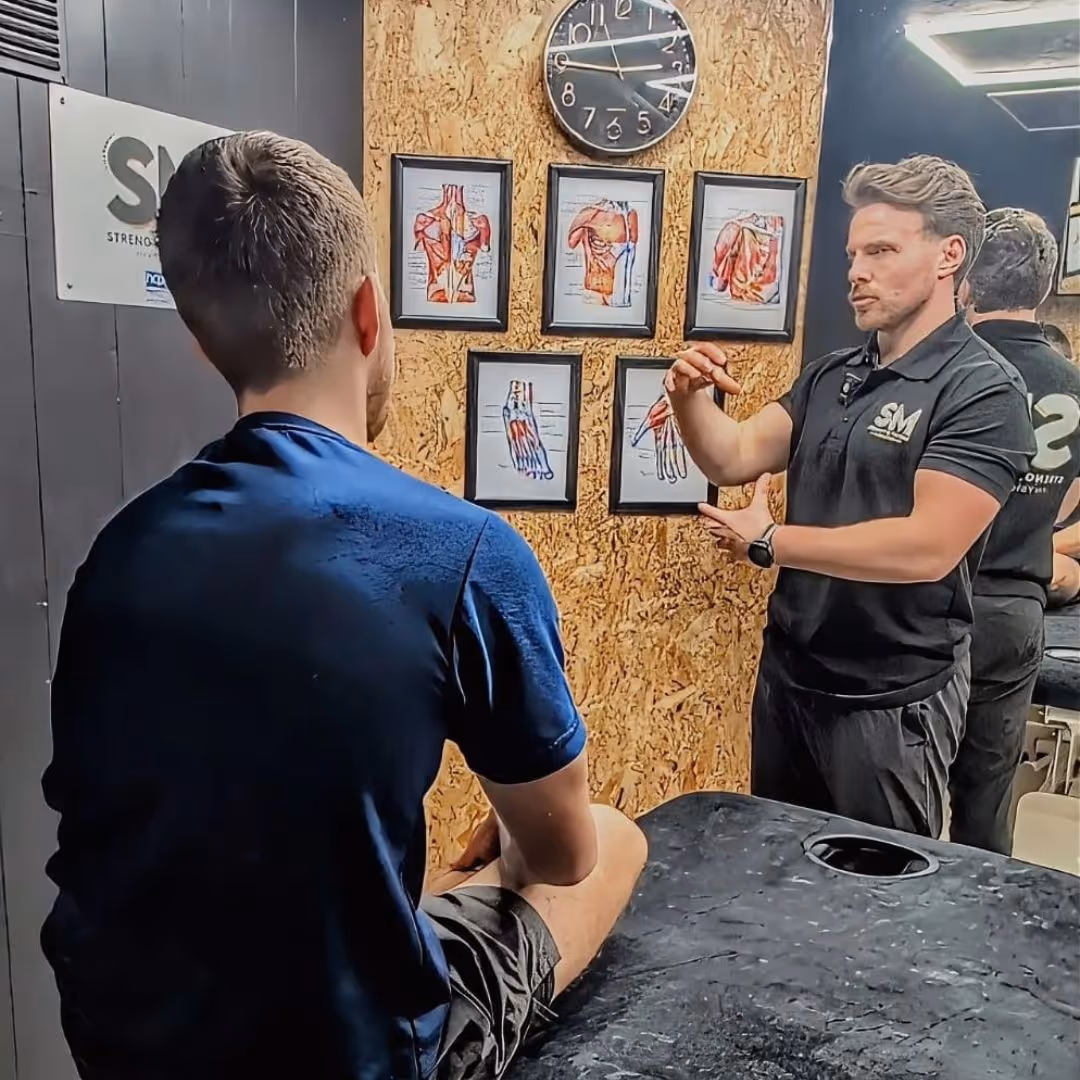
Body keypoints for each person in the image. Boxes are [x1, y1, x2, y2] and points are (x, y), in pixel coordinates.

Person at [41, 132, 647, 1080]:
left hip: (122, 1041)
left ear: (202, 341)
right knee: (610, 837)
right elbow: (563, 854)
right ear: (370, 313)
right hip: (347, 1057)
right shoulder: (466, 551)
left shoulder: (117, 553)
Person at [667, 155, 1035, 839]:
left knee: (878, 904)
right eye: (853, 253)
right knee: (775, 876)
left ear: (948, 256)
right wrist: (688, 397)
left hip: (892, 701)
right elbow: (733, 452)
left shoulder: (983, 390)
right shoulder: (834, 375)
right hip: (791, 680)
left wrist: (772, 542)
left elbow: (926, 548)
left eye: (882, 250)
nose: (856, 271)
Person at [951, 209, 1080, 853]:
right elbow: (1068, 506)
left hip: (936, 610)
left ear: (966, 280)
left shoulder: (947, 367)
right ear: (1046, 286)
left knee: (905, 795)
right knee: (988, 795)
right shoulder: (1072, 385)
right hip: (1015, 612)